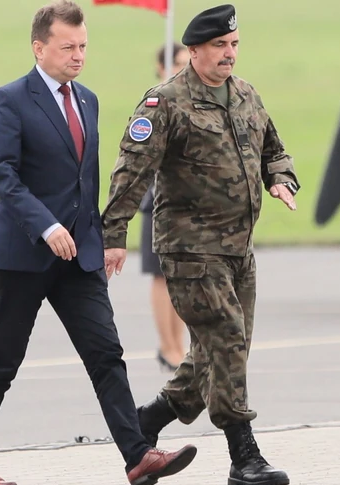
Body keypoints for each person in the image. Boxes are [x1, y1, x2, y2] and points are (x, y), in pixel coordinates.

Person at [0, 1, 196, 485]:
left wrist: (107, 239)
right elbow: (4, 175)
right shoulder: (9, 99)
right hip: (25, 254)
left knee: (106, 354)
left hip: (80, 256)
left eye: (83, 46)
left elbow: (88, 181)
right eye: (68, 47)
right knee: (3, 362)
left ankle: (138, 457)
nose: (78, 55)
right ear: (39, 48)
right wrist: (46, 227)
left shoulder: (87, 100)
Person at [101, 4, 298, 485]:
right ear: (194, 51)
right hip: (191, 248)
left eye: (234, 45)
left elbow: (274, 149)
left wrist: (280, 178)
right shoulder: (165, 103)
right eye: (219, 46)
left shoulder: (245, 94)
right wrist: (113, 236)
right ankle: (243, 455)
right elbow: (131, 171)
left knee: (220, 349)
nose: (229, 54)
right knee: (227, 338)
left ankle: (147, 422)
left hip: (238, 249)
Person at [140, 42, 191, 372]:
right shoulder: (154, 103)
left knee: (183, 277)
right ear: (161, 68)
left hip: (188, 203)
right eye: (175, 63)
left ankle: (180, 346)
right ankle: (167, 346)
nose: (181, 70)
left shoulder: (194, 102)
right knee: (161, 276)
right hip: (159, 201)